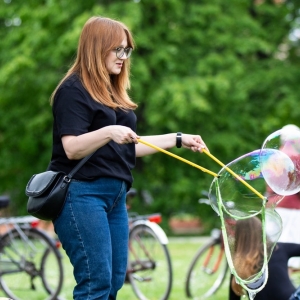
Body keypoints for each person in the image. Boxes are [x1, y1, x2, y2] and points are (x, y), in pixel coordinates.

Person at [49, 16, 209, 300]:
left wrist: (179, 139)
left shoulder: (111, 91)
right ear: (97, 48)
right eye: (118, 50)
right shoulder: (72, 91)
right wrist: (109, 131)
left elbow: (127, 147)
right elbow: (71, 148)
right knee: (95, 284)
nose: (124, 57)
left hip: (115, 196)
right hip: (82, 195)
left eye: (127, 50)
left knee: (112, 283)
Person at [229, 217, 300, 300]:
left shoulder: (239, 263)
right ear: (261, 230)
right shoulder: (279, 248)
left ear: (238, 236)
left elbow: (234, 297)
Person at [266, 124, 300, 270]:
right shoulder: (295, 157)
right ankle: (287, 285)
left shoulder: (273, 156)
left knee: (275, 246)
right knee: (290, 249)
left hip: (274, 206)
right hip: (291, 207)